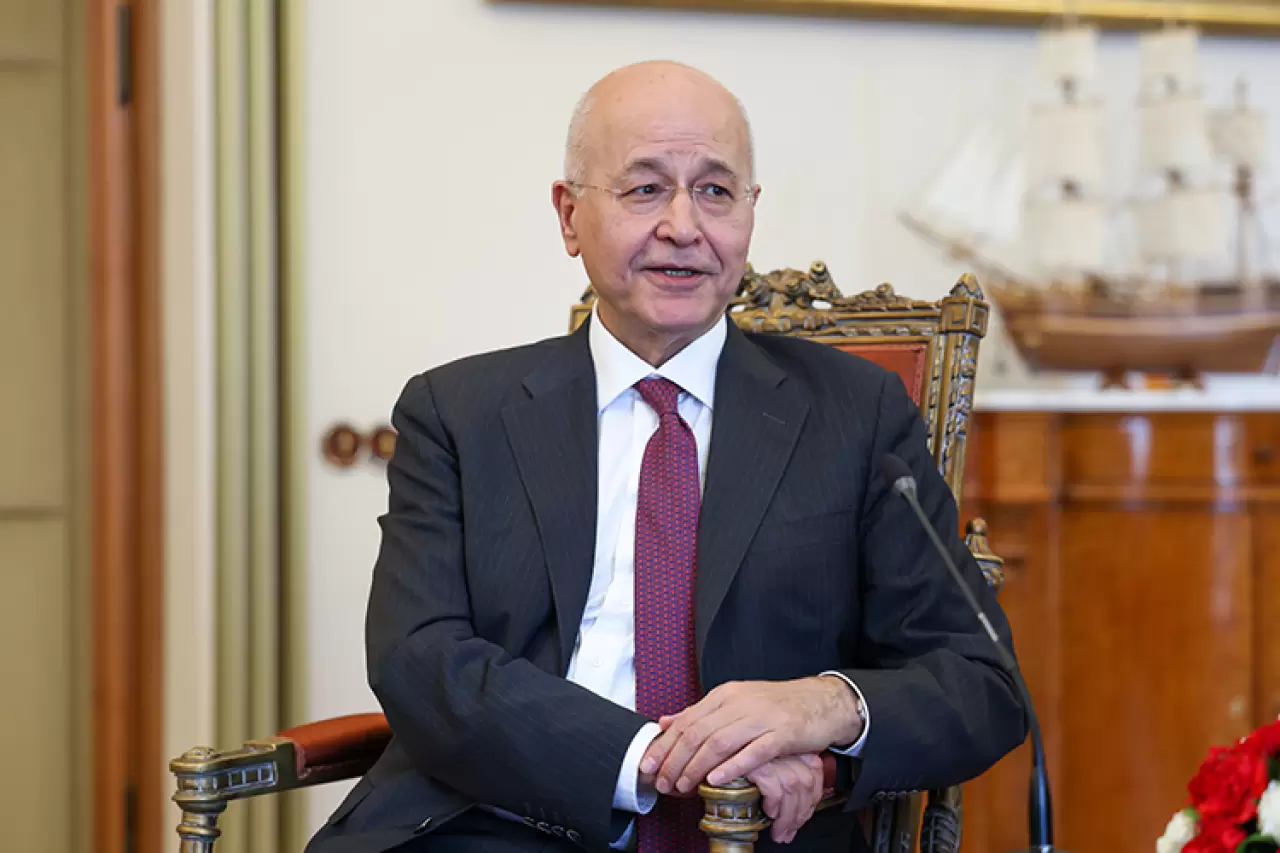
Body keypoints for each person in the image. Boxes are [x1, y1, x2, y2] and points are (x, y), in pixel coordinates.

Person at [306, 61, 1027, 853]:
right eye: (645, 188)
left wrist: (822, 710)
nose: (684, 226)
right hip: (495, 821)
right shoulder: (460, 411)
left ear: (750, 213)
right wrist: (649, 758)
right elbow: (420, 657)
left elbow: (981, 681)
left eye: (716, 191)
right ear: (569, 215)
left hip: (757, 834)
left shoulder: (855, 414)